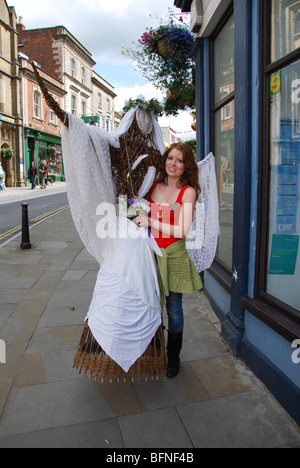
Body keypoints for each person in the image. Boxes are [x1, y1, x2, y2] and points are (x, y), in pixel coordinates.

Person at [135, 143, 203, 378]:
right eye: (170, 158)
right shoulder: (153, 186)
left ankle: (173, 356)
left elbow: (183, 230)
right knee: (153, 306)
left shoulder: (188, 192)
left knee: (173, 308)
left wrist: (151, 222)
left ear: (187, 166)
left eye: (180, 160)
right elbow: (138, 209)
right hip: (150, 254)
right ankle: (154, 351)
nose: (173, 164)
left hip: (174, 254)